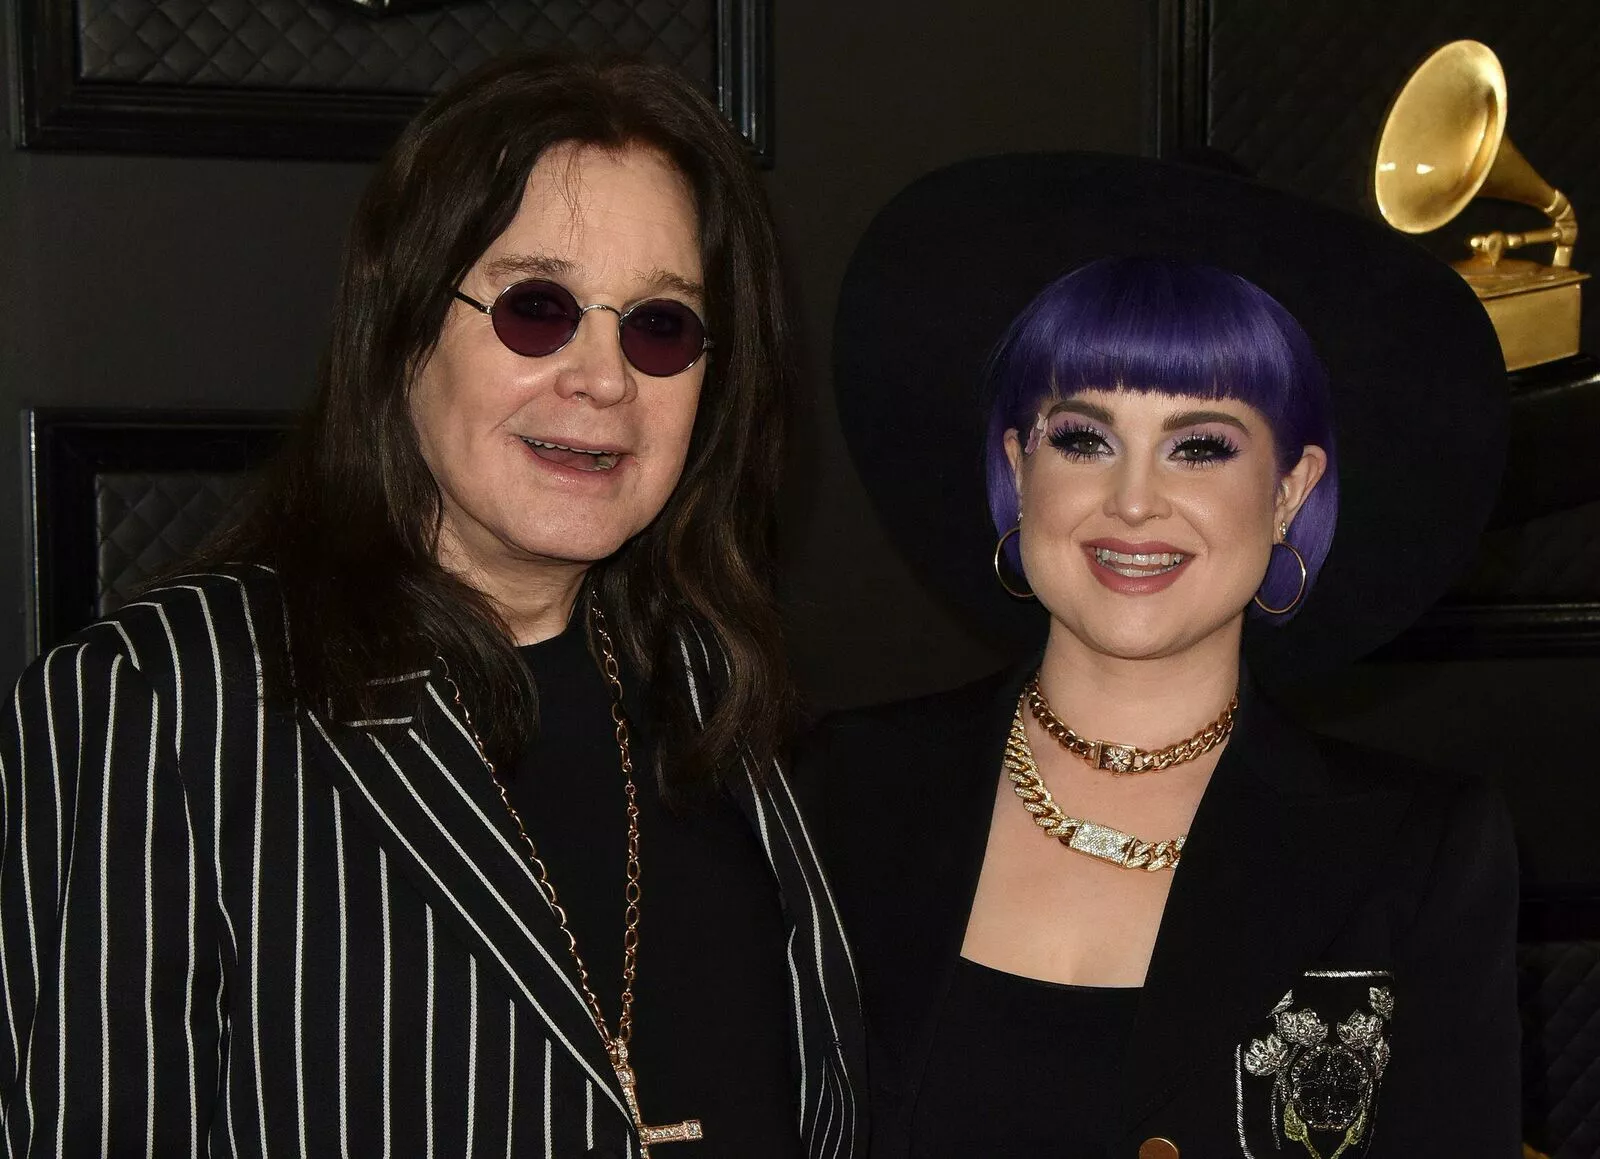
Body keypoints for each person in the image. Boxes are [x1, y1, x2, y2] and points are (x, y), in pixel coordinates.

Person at [0, 54, 863, 1158]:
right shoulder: (160, 706)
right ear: (404, 328)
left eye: (659, 326)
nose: (604, 378)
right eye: (537, 309)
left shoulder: (718, 702)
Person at [806, 153, 1518, 1157]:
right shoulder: (828, 794)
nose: (1134, 501)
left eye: (1200, 446)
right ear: (1017, 467)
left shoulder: (1422, 852)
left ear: (1289, 490)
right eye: (1083, 439)